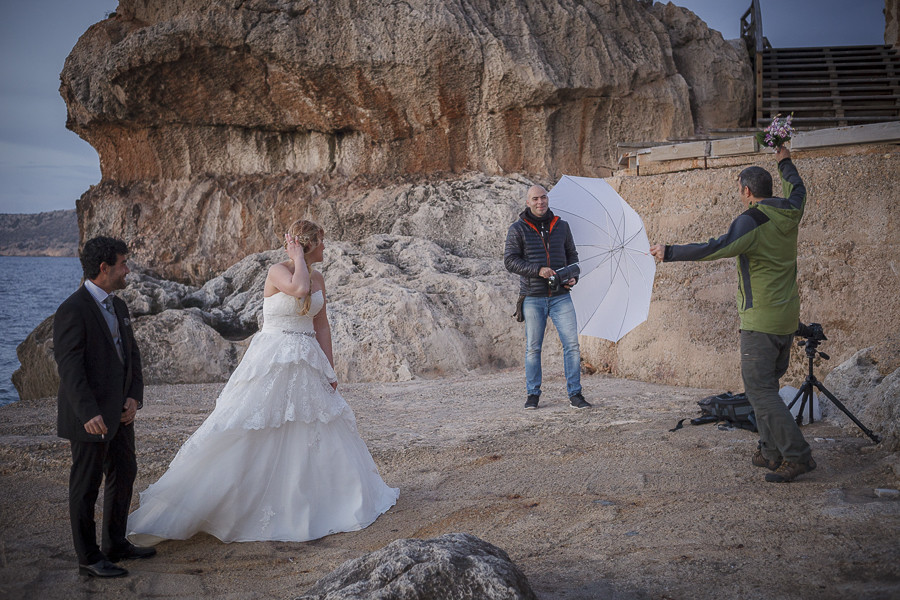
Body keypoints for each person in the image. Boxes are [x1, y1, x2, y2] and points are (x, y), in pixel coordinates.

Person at [126, 219, 398, 545]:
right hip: (273, 358)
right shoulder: (278, 271)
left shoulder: (319, 277)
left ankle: (311, 501)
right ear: (307, 245)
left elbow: (321, 325)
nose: (326, 248)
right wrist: (297, 257)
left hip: (307, 359)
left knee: (309, 427)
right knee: (252, 424)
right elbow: (298, 290)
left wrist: (330, 368)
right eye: (321, 243)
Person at [649, 146, 816, 483]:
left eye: (739, 189)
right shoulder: (791, 210)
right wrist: (785, 160)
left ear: (746, 191)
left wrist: (670, 252)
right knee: (766, 387)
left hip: (760, 323)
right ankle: (771, 452)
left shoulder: (751, 220)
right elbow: (799, 189)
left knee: (761, 392)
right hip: (786, 320)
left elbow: (717, 247)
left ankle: (797, 456)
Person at [54, 236, 155, 578]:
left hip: (121, 415)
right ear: (104, 268)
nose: (127, 270)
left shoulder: (119, 306)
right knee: (85, 487)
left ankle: (115, 543)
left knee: (124, 474)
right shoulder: (72, 309)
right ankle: (88, 558)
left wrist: (134, 397)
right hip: (90, 419)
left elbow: (132, 357)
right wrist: (88, 413)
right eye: (123, 264)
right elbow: (70, 369)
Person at [504, 184, 590, 410]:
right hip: (533, 297)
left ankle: (576, 395)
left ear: (547, 199)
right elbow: (510, 261)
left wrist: (573, 277)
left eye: (543, 197)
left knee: (572, 346)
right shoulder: (518, 229)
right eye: (535, 199)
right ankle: (533, 395)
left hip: (561, 296)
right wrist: (538, 270)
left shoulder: (562, 226)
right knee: (533, 348)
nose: (540, 202)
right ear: (527, 202)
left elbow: (573, 257)